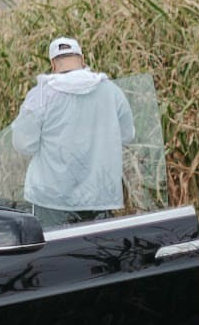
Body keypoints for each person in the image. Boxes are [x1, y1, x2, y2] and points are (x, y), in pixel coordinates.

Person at [13, 36, 137, 227]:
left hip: (51, 200)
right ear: (82, 59)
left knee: (54, 254)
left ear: (53, 63)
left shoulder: (40, 96)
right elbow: (127, 135)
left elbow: (23, 144)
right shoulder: (112, 92)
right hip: (100, 198)